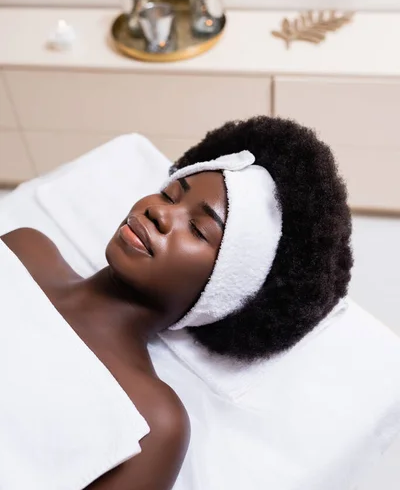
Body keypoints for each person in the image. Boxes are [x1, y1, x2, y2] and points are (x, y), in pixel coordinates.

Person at [1, 115, 352, 490]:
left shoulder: (152, 421)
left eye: (199, 229)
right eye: (170, 194)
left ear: (219, 293)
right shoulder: (25, 249)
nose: (160, 211)